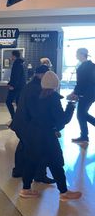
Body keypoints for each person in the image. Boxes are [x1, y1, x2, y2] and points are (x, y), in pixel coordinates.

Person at [19, 71, 81, 201]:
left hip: (32, 133)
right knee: (56, 162)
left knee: (31, 161)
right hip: (46, 136)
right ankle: (64, 193)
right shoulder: (52, 97)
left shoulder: (35, 95)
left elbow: (29, 115)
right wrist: (71, 105)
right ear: (55, 85)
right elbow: (62, 120)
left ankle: (25, 189)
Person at [10, 65, 55, 184]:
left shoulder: (29, 85)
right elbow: (37, 111)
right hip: (28, 125)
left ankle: (18, 170)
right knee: (40, 148)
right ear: (41, 75)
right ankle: (39, 174)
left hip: (20, 123)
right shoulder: (38, 88)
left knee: (23, 146)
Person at [67, 48, 95, 143]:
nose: (76, 55)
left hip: (86, 94)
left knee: (80, 115)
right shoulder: (91, 65)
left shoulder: (84, 67)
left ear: (82, 54)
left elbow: (81, 83)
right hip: (90, 94)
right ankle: (84, 136)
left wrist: (74, 93)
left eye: (77, 53)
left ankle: (84, 136)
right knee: (82, 114)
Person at [5, 50, 26, 120]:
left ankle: (14, 118)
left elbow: (15, 76)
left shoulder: (16, 63)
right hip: (20, 87)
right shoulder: (21, 63)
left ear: (14, 56)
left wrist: (12, 85)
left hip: (15, 87)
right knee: (18, 102)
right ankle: (18, 118)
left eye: (11, 55)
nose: (11, 57)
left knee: (8, 102)